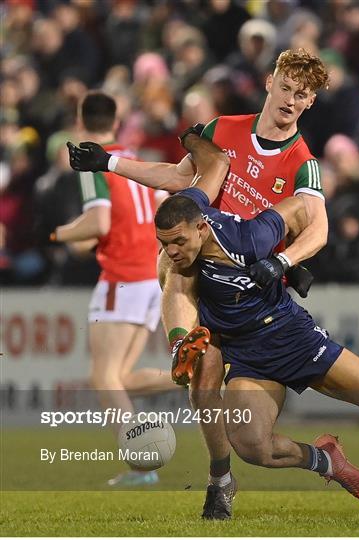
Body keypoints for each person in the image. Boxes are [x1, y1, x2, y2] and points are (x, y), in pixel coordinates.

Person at [68, 49, 330, 519]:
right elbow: (176, 178)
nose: (291, 100)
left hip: (254, 294)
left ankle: (329, 438)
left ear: (310, 103)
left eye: (302, 94)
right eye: (286, 88)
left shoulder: (304, 163)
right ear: (269, 82)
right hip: (201, 275)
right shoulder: (219, 130)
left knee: (261, 436)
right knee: (200, 369)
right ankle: (219, 478)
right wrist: (110, 162)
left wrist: (289, 259)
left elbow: (319, 227)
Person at [155, 131, 359, 505]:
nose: (171, 251)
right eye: (164, 243)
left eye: (178, 242)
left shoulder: (249, 238)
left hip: (290, 336)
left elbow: (297, 208)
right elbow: (214, 163)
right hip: (247, 356)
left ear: (202, 227)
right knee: (253, 447)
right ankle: (327, 461)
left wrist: (286, 261)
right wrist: (192, 137)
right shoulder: (184, 229)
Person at [54, 92, 177, 486]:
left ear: (80, 118)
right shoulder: (134, 159)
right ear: (117, 118)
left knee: (104, 377)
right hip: (151, 273)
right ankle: (196, 375)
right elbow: (162, 209)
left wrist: (59, 233)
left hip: (122, 274)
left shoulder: (93, 161)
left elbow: (100, 223)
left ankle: (143, 467)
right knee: (120, 377)